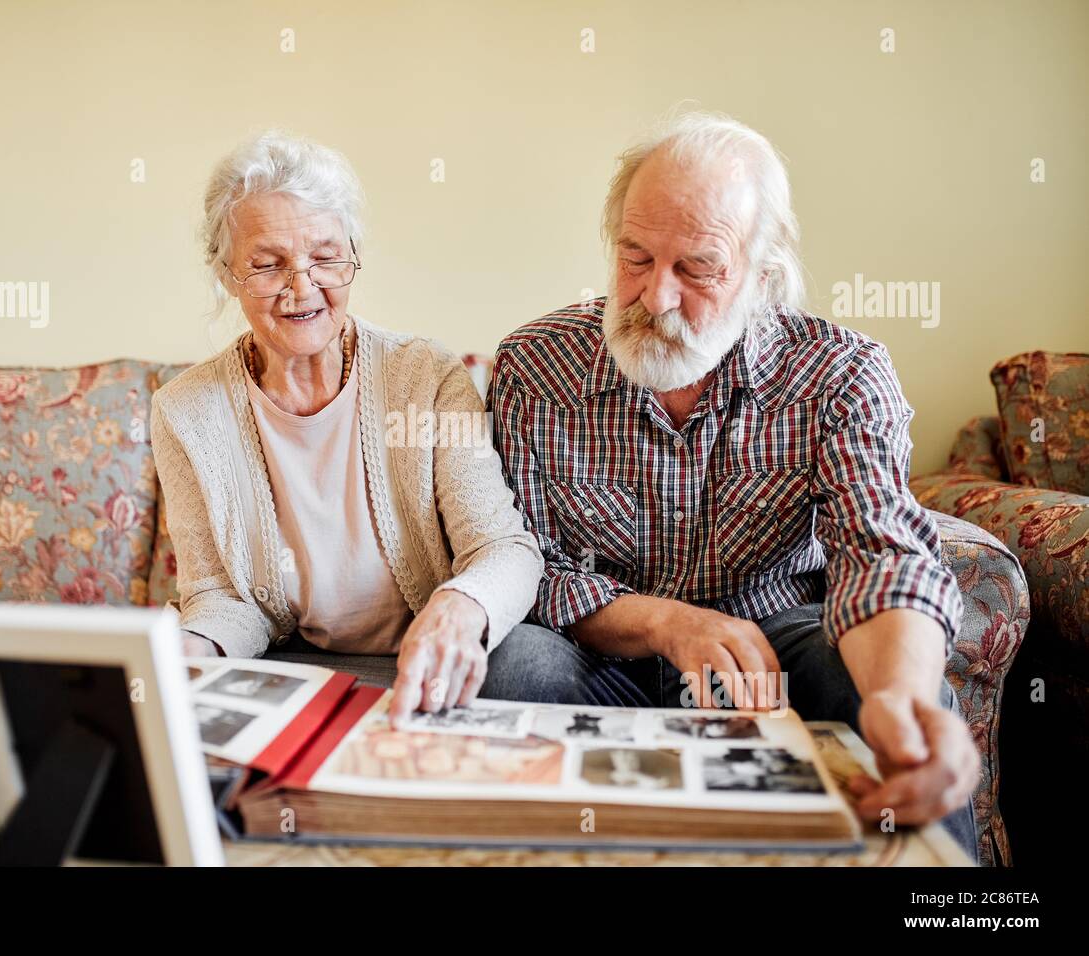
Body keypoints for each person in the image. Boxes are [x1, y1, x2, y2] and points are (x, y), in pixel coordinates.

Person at [486, 111, 980, 856]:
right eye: (636, 258)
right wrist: (665, 622)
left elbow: (882, 552)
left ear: (762, 275)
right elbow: (525, 561)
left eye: (699, 268)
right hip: (602, 653)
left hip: (775, 648)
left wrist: (898, 702)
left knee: (890, 697)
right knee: (512, 663)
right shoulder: (535, 366)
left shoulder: (841, 374)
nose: (655, 298)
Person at [151, 131, 543, 723]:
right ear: (228, 273)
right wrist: (192, 647)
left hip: (425, 662)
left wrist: (459, 606)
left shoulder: (426, 377)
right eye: (267, 264)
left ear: (352, 255)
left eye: (326, 257)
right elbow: (220, 596)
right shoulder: (187, 411)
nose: (303, 287)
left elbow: (503, 549)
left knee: (534, 666)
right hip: (292, 664)